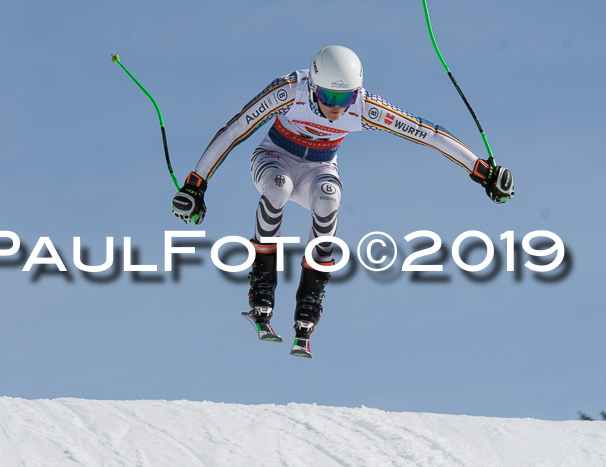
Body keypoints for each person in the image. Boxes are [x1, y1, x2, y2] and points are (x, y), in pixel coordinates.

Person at [171, 45, 514, 357]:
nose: (335, 109)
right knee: (277, 187)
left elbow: (427, 133)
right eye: (327, 97)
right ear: (312, 87)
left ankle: (310, 300)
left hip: (319, 169)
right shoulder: (289, 90)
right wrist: (195, 185)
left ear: (357, 94)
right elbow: (235, 130)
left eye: (345, 99)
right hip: (273, 158)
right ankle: (262, 283)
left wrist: (482, 171)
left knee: (328, 199)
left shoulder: (365, 109)